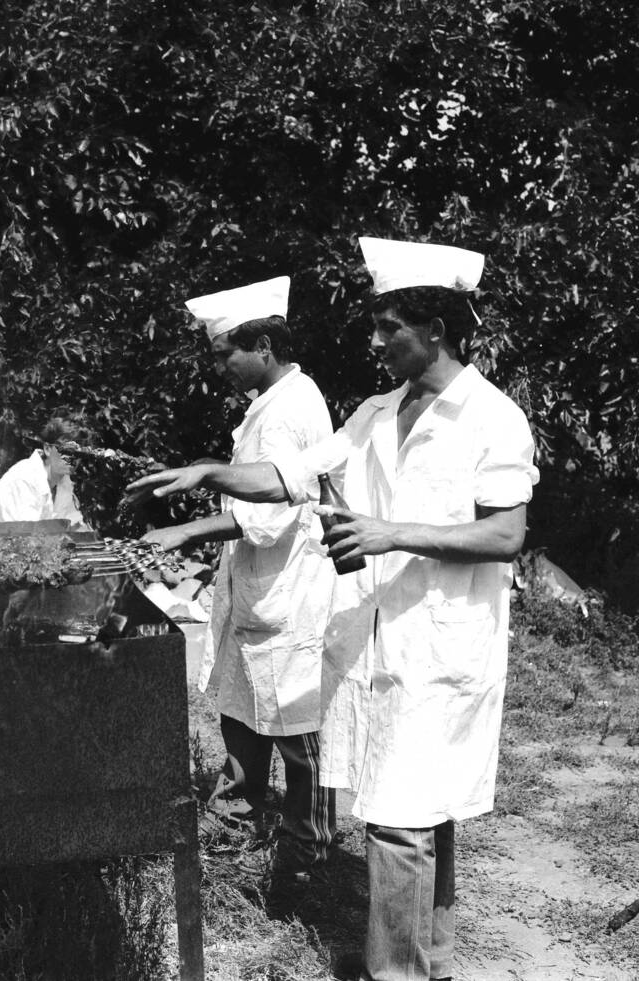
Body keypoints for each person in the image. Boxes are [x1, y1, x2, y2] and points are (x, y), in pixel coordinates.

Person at [125, 238, 539, 981]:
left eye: (389, 327)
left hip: (442, 642)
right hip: (377, 639)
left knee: (403, 818)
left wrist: (389, 533)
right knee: (415, 805)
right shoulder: (376, 412)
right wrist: (211, 472)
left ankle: (399, 971)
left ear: (435, 329)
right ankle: (431, 960)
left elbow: (506, 532)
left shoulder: (492, 417)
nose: (374, 342)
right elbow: (295, 474)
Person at [143, 275, 338, 881]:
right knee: (243, 701)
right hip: (260, 583)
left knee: (292, 721)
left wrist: (184, 533)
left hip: (288, 587)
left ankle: (308, 848)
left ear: (263, 346)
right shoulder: (275, 400)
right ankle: (237, 817)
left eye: (225, 353)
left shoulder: (289, 409)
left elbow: (267, 513)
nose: (220, 366)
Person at [0, 415, 86, 526]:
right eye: (66, 451)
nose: (72, 459)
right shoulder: (24, 479)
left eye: (78, 454)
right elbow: (25, 537)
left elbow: (75, 526)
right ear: (47, 449)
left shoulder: (64, 481)